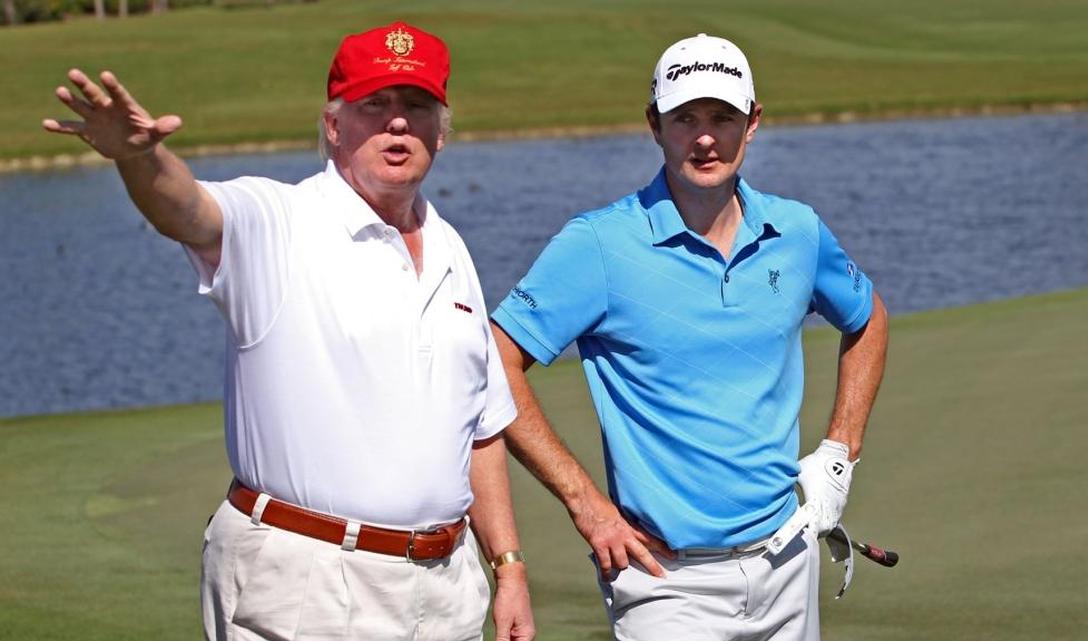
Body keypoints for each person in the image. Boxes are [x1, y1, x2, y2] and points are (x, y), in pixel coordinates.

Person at [43, 21, 535, 641]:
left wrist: (508, 565)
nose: (397, 122)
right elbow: (187, 210)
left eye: (417, 105)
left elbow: (480, 427)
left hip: (447, 589)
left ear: (441, 130)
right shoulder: (280, 219)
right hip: (306, 582)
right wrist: (140, 157)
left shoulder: (449, 246)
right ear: (333, 125)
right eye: (374, 104)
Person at [490, 33, 888, 640]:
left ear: (752, 123)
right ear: (655, 125)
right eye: (686, 119)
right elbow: (495, 359)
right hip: (664, 582)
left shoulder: (797, 232)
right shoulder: (599, 245)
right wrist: (586, 505)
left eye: (722, 118)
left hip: (787, 559)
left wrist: (840, 453)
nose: (705, 138)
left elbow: (868, 317)